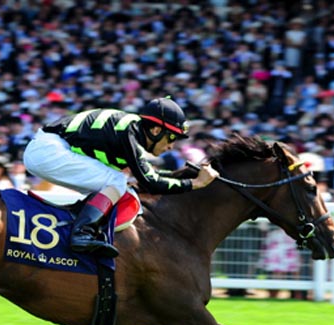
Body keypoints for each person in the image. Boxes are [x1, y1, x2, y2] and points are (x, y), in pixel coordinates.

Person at [23, 97, 219, 257]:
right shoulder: (130, 133)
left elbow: (149, 176)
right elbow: (151, 182)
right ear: (156, 130)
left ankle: (80, 228)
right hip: (48, 151)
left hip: (48, 149)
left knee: (117, 183)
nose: (171, 147)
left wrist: (187, 179)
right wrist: (196, 183)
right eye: (172, 137)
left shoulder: (131, 130)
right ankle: (82, 233)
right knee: (117, 181)